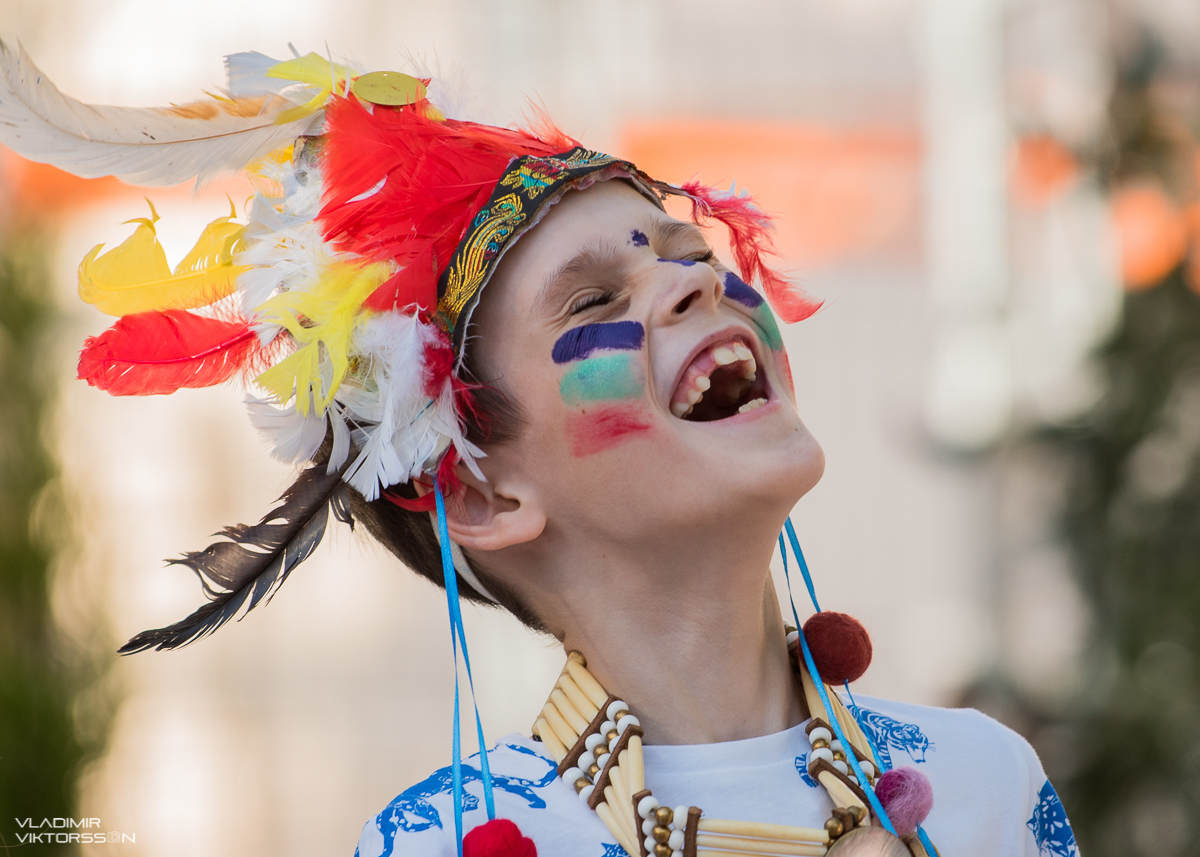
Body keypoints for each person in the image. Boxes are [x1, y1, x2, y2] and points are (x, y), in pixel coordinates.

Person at [0, 40, 1078, 857]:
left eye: (689, 248)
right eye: (594, 298)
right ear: (478, 489)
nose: (696, 277)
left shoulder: (983, 783)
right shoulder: (443, 840)